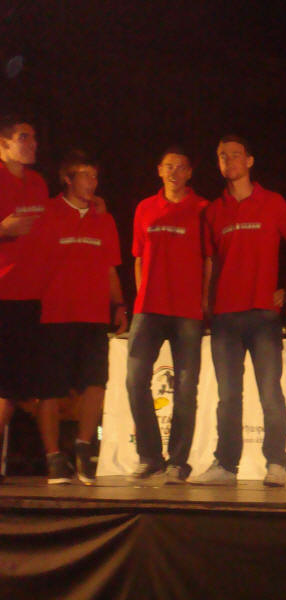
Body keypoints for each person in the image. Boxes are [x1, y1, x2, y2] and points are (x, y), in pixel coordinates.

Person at [196, 135, 286, 486]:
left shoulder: (274, 203)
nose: (229, 161)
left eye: (235, 155)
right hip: (225, 316)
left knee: (270, 392)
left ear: (250, 161)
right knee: (227, 396)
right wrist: (206, 305)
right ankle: (226, 465)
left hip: (264, 314)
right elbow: (210, 262)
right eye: (222, 156)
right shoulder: (213, 211)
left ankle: (277, 462)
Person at [36, 150, 126, 484]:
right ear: (67, 179)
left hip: (93, 314)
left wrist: (119, 305)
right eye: (85, 175)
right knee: (50, 389)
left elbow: (110, 268)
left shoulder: (104, 218)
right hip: (54, 314)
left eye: (95, 176)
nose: (92, 182)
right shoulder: (47, 212)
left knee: (95, 383)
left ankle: (83, 448)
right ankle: (53, 458)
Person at [126, 147, 208, 484]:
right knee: (134, 380)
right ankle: (150, 457)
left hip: (187, 310)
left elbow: (209, 260)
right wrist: (140, 295)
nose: (174, 172)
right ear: (159, 170)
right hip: (148, 308)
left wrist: (205, 302)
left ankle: (178, 461)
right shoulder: (145, 207)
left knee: (186, 388)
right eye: (168, 166)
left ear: (190, 173)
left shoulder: (203, 209)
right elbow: (138, 257)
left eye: (181, 167)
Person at [0, 115, 50, 484]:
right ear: (2, 143)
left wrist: (91, 203)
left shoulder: (37, 183)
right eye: (23, 137)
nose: (32, 143)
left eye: (33, 137)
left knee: (14, 387)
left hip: (30, 296)